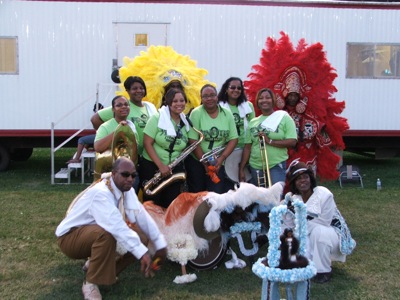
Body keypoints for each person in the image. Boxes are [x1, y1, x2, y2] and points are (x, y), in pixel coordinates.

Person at [55, 157, 167, 299]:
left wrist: (160, 244)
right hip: (69, 238)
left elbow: (141, 216)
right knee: (106, 235)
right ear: (113, 174)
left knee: (142, 238)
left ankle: (108, 272)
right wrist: (143, 254)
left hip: (93, 232)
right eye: (125, 174)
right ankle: (90, 283)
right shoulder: (101, 193)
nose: (130, 179)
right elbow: (116, 227)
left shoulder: (127, 190)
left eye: (133, 175)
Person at [245, 32, 349, 181]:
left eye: (295, 95)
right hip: (279, 156)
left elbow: (319, 135)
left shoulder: (306, 115)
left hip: (305, 152)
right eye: (290, 95)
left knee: (303, 182)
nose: (292, 98)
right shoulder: (274, 116)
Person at [283, 159, 356, 284]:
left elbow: (324, 221)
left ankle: (323, 271)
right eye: (298, 179)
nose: (303, 181)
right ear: (294, 183)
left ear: (311, 179)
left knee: (318, 231)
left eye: (306, 177)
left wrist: (298, 228)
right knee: (290, 236)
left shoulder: (324, 194)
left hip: (331, 234)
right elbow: (287, 224)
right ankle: (305, 265)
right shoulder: (292, 199)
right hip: (305, 232)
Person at [141, 88, 195, 208]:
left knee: (170, 204)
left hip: (173, 167)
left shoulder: (186, 122)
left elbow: (191, 142)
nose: (179, 104)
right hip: (152, 166)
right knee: (152, 203)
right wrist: (161, 166)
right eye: (175, 101)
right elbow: (147, 143)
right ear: (168, 102)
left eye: (182, 100)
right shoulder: (157, 118)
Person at [185, 84, 238, 194]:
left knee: (216, 195)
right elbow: (193, 140)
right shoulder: (196, 113)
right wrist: (204, 163)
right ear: (201, 98)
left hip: (218, 162)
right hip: (197, 161)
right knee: (197, 195)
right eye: (205, 96)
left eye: (212, 95)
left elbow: (233, 139)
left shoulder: (227, 114)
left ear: (217, 97)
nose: (209, 99)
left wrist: (221, 158)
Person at [239, 88, 297, 187]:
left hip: (276, 165)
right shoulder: (253, 122)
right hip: (255, 166)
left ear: (273, 100)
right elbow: (248, 147)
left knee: (274, 199)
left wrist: (270, 141)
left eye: (268, 98)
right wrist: (242, 168)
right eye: (261, 98)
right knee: (259, 199)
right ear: (257, 102)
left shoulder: (283, 117)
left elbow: (292, 141)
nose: (264, 100)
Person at [91, 76, 157, 157]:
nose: (139, 91)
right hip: (128, 156)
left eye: (141, 88)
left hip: (148, 155)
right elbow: (95, 119)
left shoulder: (150, 107)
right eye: (134, 88)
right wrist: (108, 136)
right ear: (128, 91)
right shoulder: (123, 106)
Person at [93, 96, 138, 184]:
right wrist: (118, 131)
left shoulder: (131, 125)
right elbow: (97, 147)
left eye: (126, 104)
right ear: (113, 109)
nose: (123, 107)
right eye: (119, 105)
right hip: (110, 174)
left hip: (129, 172)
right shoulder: (105, 126)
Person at [217, 77, 255, 149]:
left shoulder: (248, 106)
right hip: (225, 147)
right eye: (233, 87)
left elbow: (252, 126)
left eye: (239, 88)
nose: (236, 90)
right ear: (226, 89)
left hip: (245, 147)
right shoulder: (218, 106)